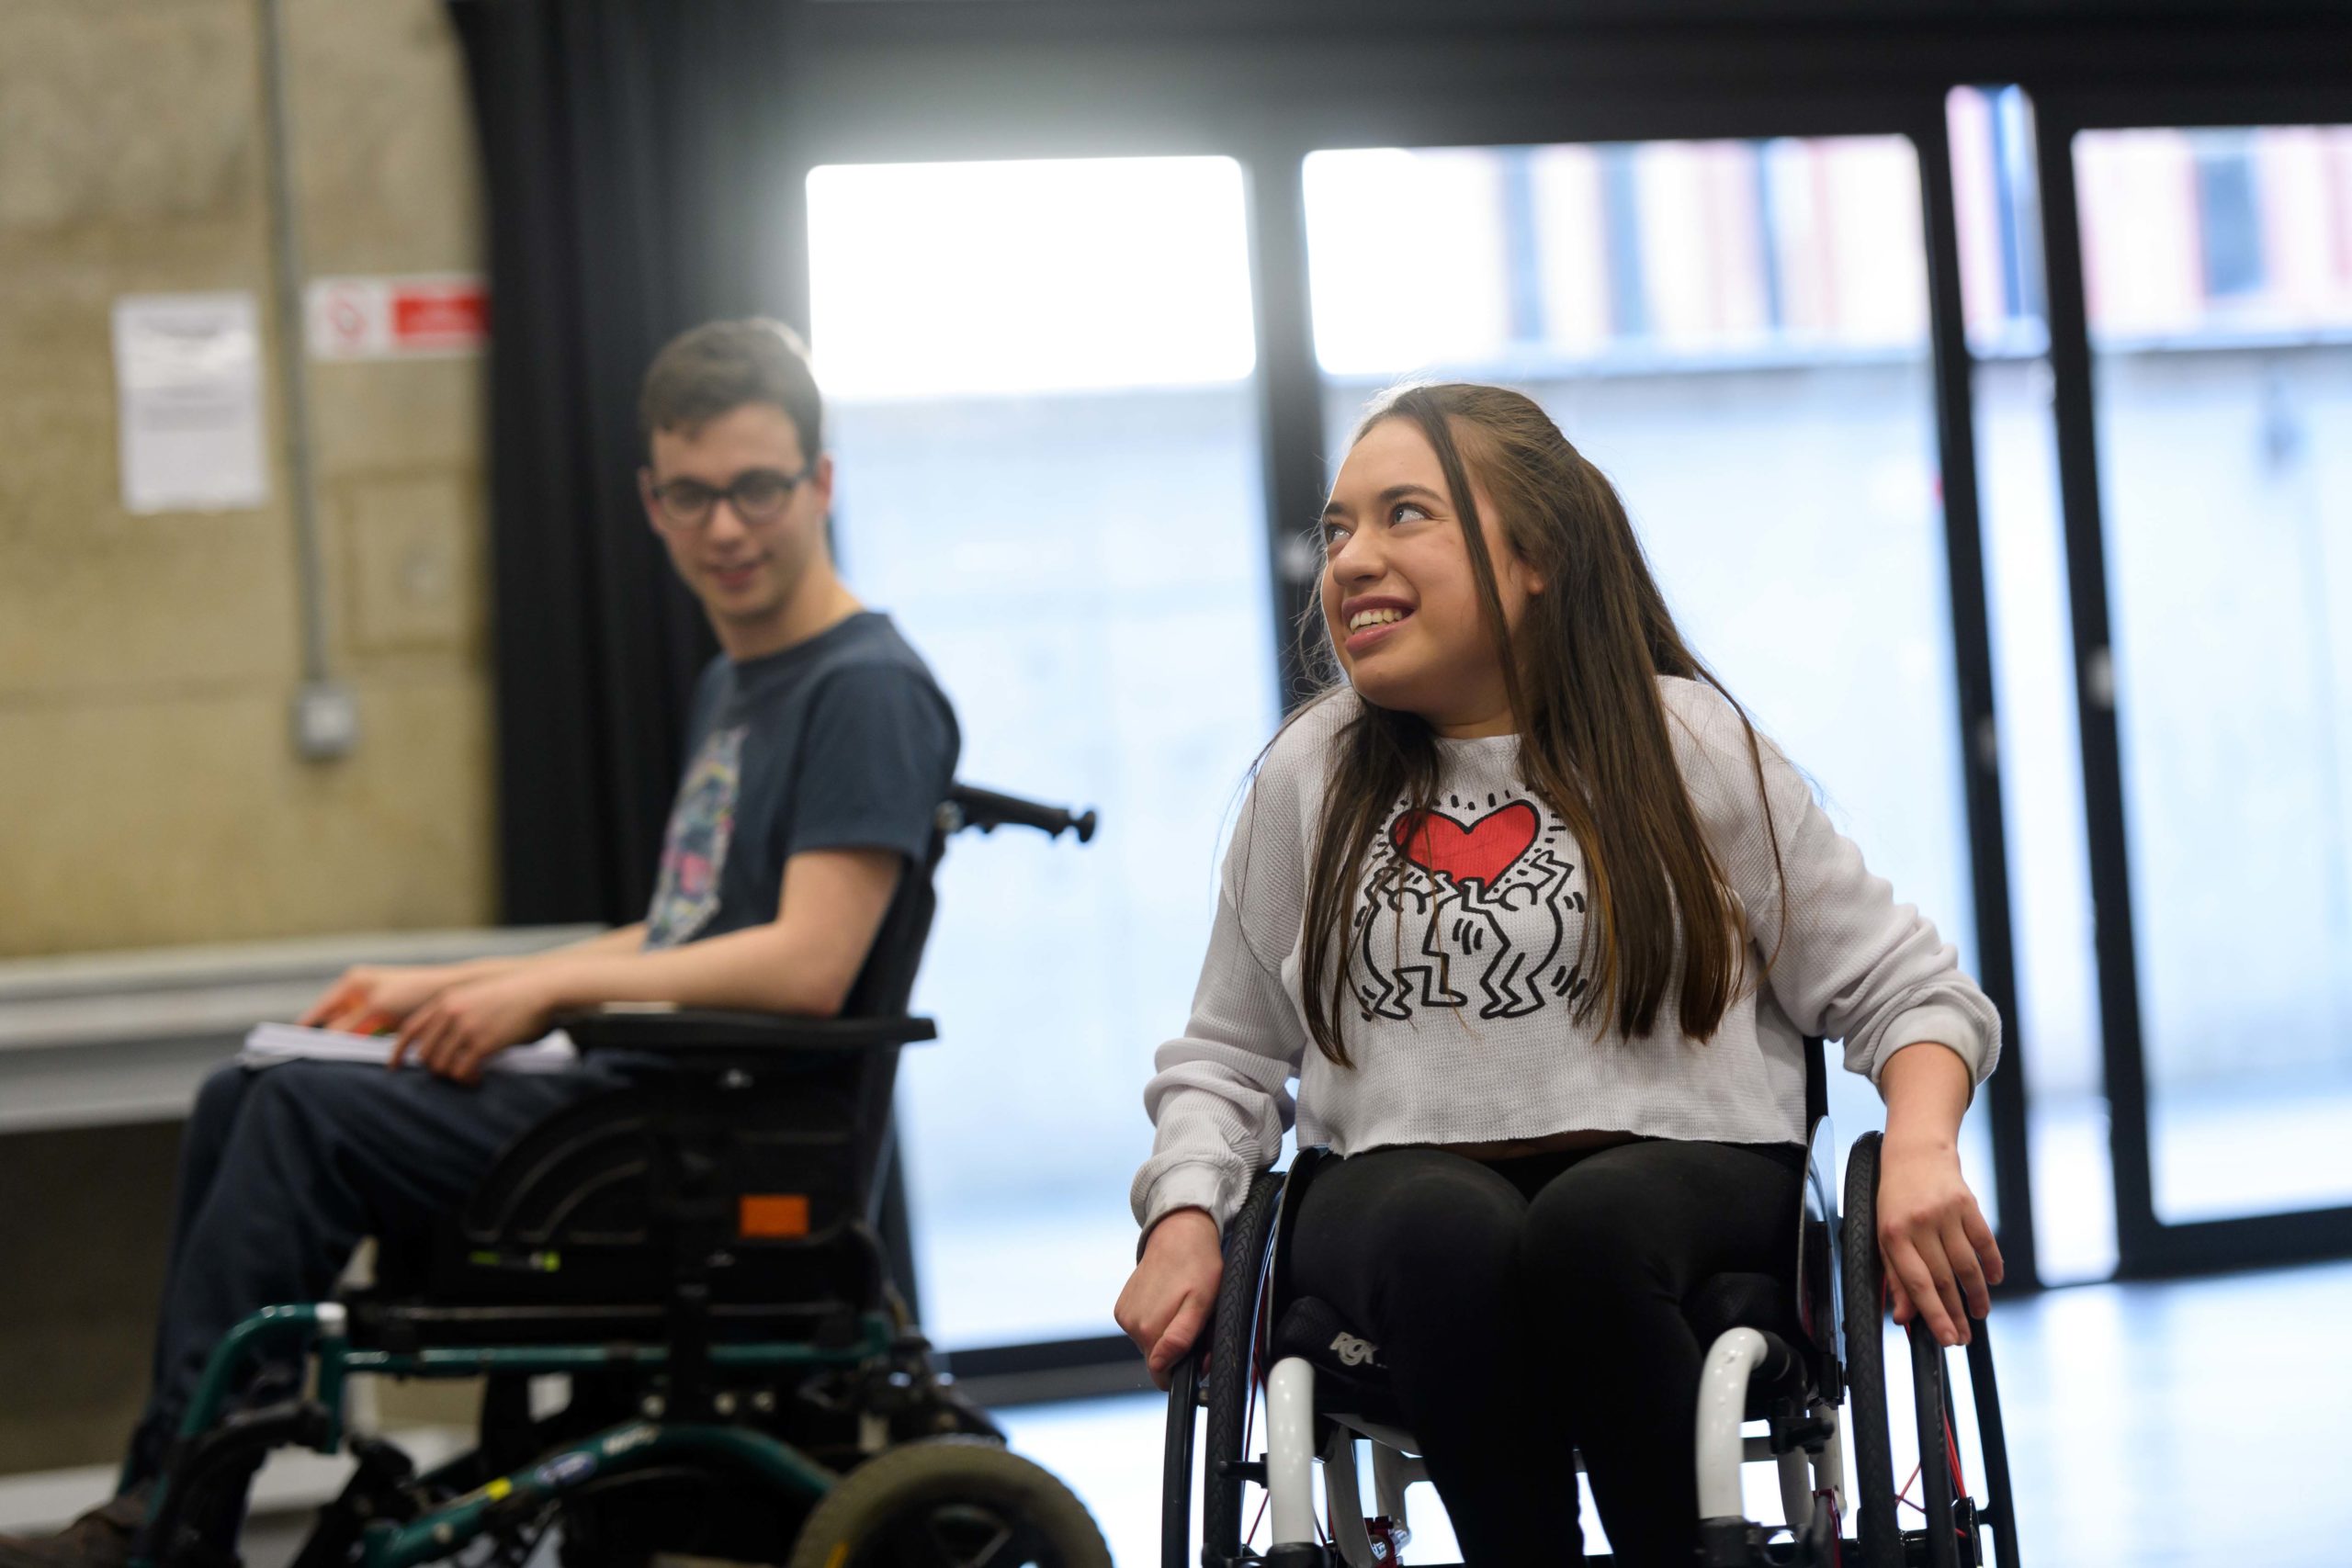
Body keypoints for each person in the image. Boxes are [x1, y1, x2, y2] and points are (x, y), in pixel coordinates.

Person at [0, 319, 958, 1568]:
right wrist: (461, 985)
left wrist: (548, 992)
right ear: (650, 502)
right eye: (692, 495)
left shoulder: (866, 687)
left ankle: (174, 1531)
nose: (725, 527)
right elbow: (691, 929)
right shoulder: (736, 684)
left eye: (756, 489)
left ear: (820, 483)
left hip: (717, 1136)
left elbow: (805, 966)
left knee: (297, 1116)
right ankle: (168, 1494)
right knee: (242, 1097)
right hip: (648, 1096)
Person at [1113, 383, 2002, 1566]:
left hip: (1686, 1190)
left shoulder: (1685, 746)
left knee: (1590, 1228)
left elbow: (1908, 991)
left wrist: (1925, 1150)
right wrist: (1181, 1215)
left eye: (1403, 516)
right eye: (1338, 530)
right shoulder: (1308, 778)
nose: (1350, 561)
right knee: (1445, 1229)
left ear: (1535, 557)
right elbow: (1226, 1053)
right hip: (1399, 1201)